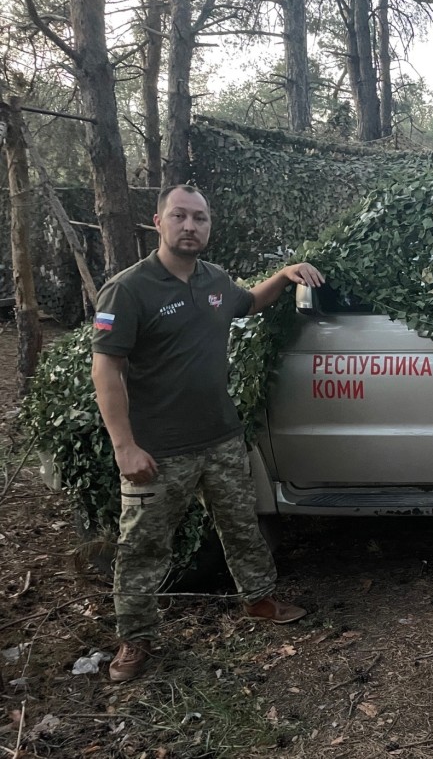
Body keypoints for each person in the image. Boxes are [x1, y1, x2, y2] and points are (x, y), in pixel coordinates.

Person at [91, 184, 324, 682]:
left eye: (200, 218)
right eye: (180, 216)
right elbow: (106, 369)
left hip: (219, 437)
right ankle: (135, 638)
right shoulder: (128, 289)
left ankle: (260, 602)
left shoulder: (214, 280)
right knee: (143, 548)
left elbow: (249, 302)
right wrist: (124, 446)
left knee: (242, 526)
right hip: (158, 450)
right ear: (159, 222)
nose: (190, 226)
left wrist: (283, 275)